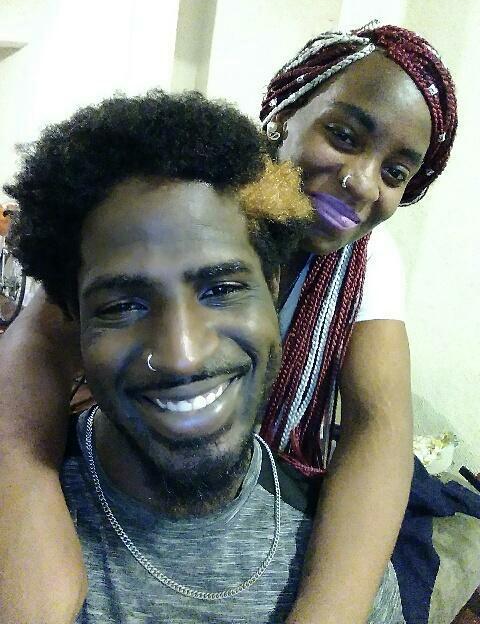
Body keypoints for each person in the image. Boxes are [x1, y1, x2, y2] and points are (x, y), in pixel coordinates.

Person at [0, 91, 407, 623]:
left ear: (273, 286)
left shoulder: (344, 565)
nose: (182, 355)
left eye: (222, 289)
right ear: (72, 321)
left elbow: (380, 422)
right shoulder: (19, 527)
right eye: (122, 305)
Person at [256, 23, 460, 624]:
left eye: (395, 173)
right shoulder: (182, 203)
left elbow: (378, 426)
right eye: (343, 136)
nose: (363, 183)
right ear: (284, 114)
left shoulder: (367, 262)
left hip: (275, 471)